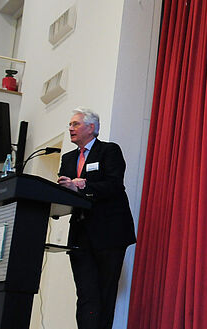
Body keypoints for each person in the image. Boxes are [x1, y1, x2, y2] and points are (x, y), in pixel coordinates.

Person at [57, 107, 136, 329]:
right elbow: (64, 190)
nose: (70, 128)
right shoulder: (68, 158)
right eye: (70, 124)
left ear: (91, 127)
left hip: (109, 233)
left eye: (75, 124)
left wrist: (83, 186)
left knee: (105, 293)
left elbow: (114, 185)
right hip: (80, 235)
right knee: (85, 294)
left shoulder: (109, 151)